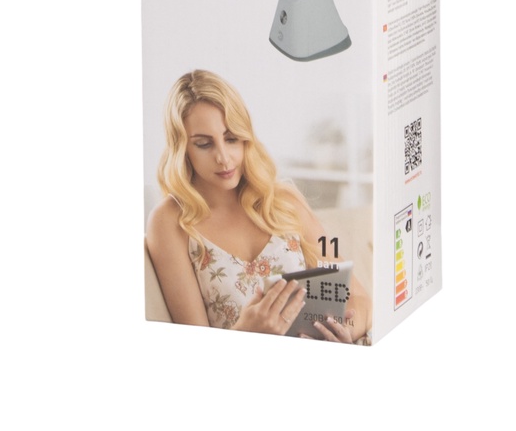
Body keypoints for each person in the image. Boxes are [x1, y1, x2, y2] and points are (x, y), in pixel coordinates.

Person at [146, 69, 371, 342]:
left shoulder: (285, 201)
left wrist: (344, 331)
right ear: (182, 149)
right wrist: (246, 333)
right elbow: (193, 345)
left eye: (231, 138)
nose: (223, 157)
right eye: (204, 144)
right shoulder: (170, 221)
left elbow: (358, 297)